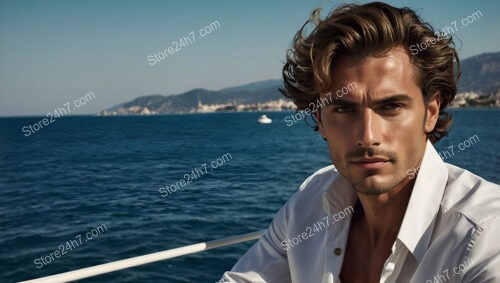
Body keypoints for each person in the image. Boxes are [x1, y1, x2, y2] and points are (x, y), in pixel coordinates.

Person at [220, 2, 500, 282]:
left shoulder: (486, 234)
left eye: (390, 107)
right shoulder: (308, 205)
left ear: (430, 113)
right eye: (343, 109)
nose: (368, 136)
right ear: (320, 120)